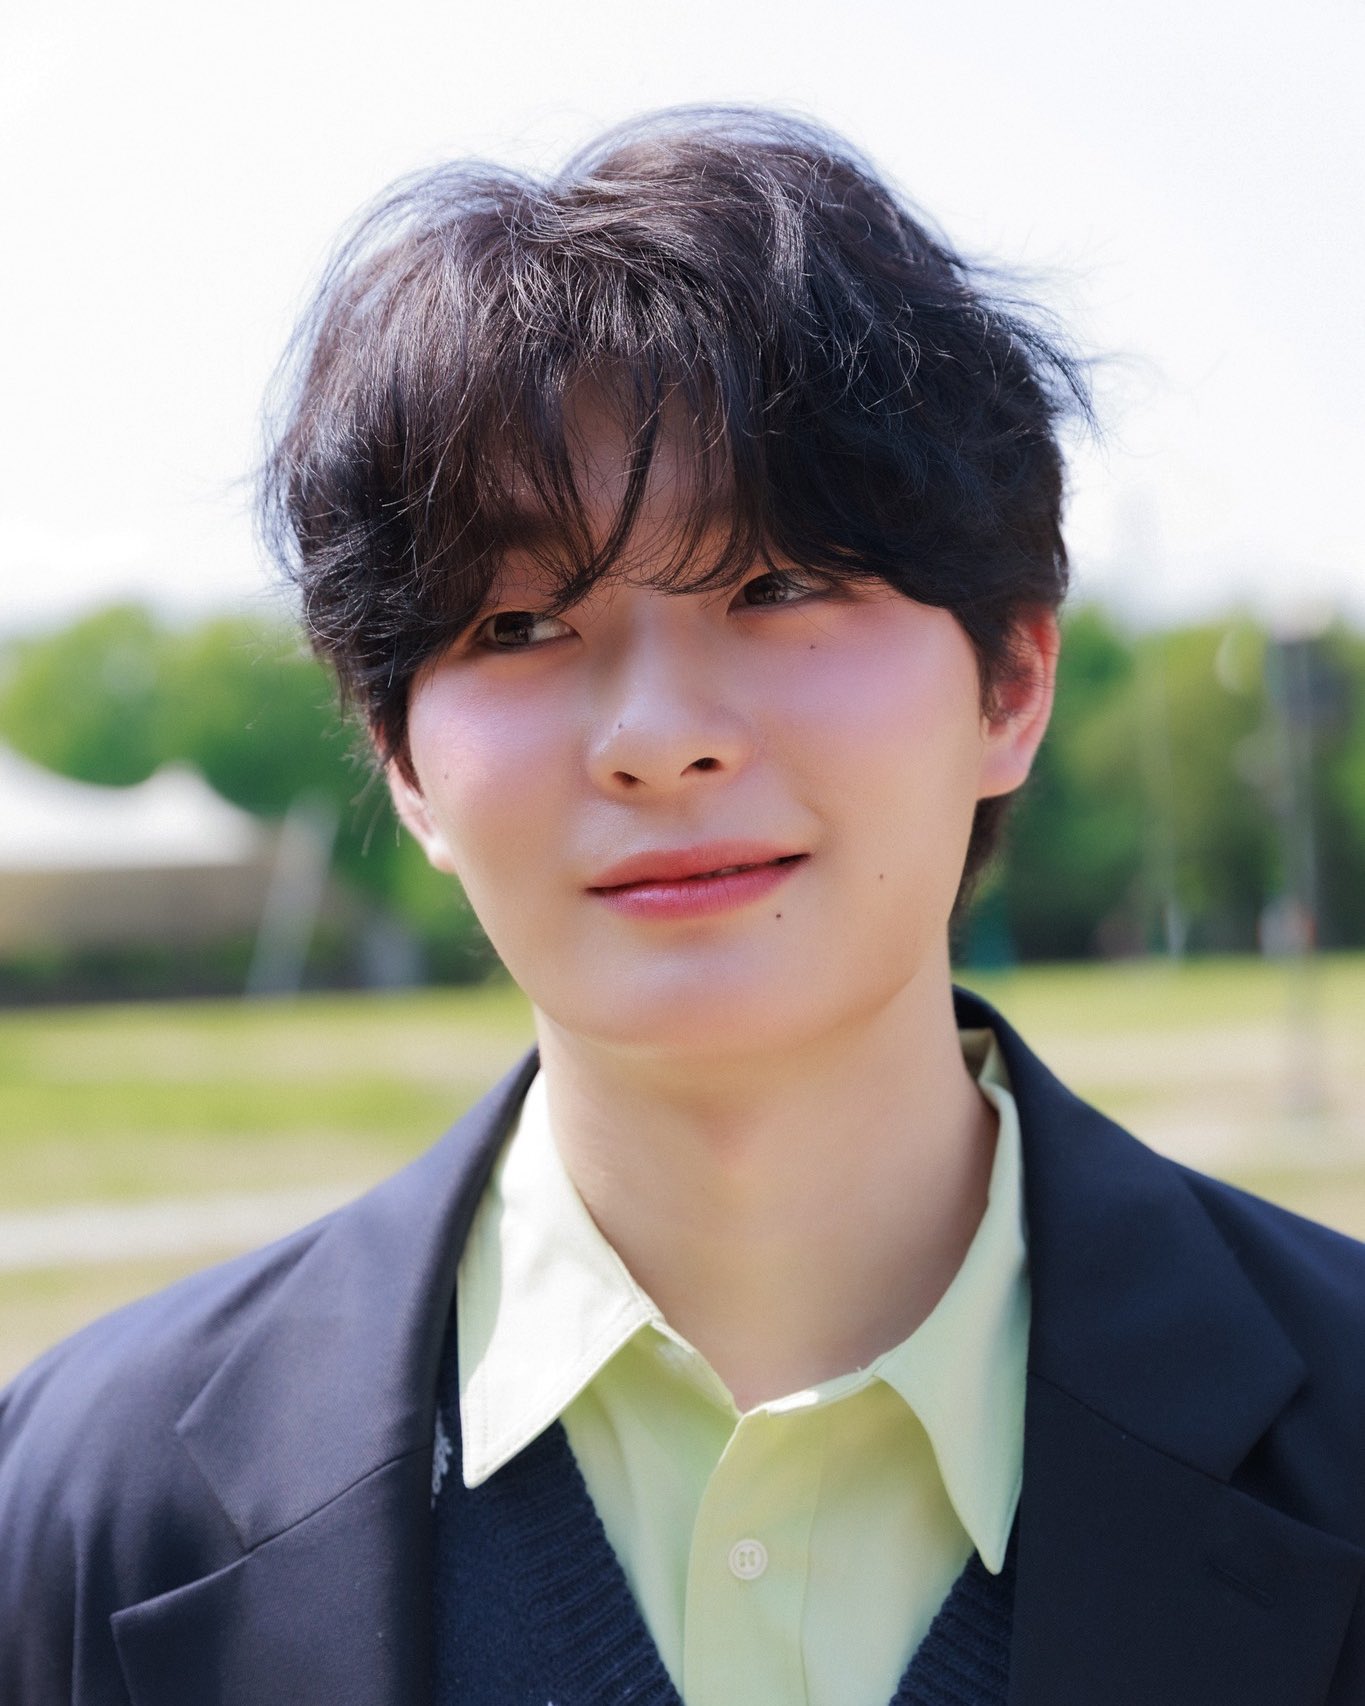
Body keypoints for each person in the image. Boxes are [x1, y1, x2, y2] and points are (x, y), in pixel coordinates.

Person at [2, 107, 1364, 1706]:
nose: (657, 738)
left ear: (1010, 678)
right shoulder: (81, 1508)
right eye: (518, 625)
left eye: (776, 585)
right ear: (402, 759)